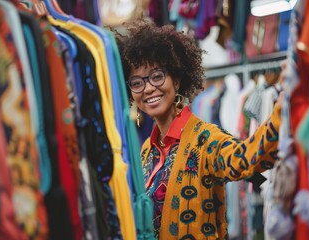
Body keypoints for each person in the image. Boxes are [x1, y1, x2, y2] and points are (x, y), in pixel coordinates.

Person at [113, 19, 283, 240]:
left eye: (157, 76)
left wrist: (287, 104)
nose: (148, 89)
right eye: (137, 83)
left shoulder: (205, 140)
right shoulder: (147, 149)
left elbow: (246, 159)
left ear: (176, 79)